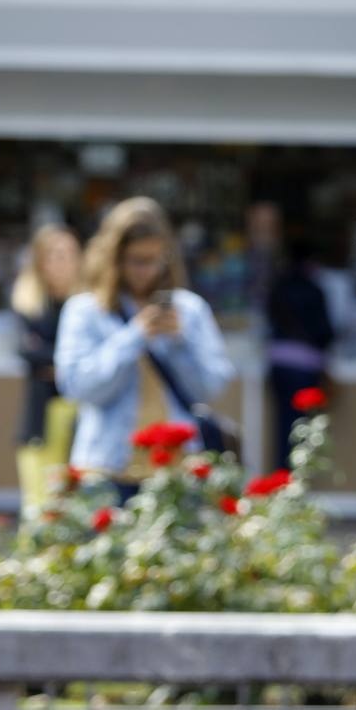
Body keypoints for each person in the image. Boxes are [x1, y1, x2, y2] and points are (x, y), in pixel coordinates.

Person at [54, 197, 234, 492]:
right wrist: (135, 335)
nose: (145, 271)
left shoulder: (189, 310)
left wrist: (180, 343)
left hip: (178, 472)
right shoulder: (86, 310)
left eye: (154, 260)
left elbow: (211, 388)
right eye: (136, 260)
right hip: (108, 468)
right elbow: (77, 387)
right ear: (115, 258)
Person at [262, 239, 335, 468]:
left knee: (282, 424)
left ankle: (282, 474)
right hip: (305, 366)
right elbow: (325, 332)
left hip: (278, 364)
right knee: (303, 428)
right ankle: (296, 477)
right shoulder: (315, 289)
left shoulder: (277, 286)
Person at [11, 223, 82, 446]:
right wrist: (68, 362)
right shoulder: (28, 301)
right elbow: (28, 351)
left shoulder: (87, 304)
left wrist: (61, 364)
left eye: (71, 255)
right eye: (58, 255)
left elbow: (88, 355)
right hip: (39, 418)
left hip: (81, 412)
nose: (66, 263)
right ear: (42, 261)